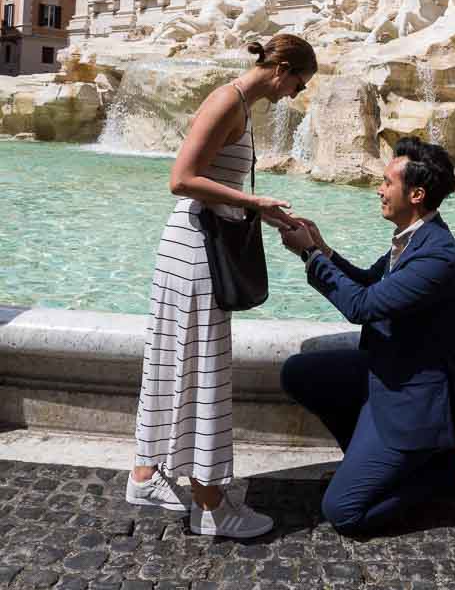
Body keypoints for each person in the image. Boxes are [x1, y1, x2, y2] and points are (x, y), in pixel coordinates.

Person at [126, 34, 317, 537]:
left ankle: (146, 475)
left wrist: (265, 213)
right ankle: (212, 506)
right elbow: (181, 178)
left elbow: (216, 181)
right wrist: (253, 203)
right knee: (199, 366)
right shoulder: (225, 100)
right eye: (300, 82)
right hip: (195, 252)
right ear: (282, 70)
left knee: (176, 359)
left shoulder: (240, 105)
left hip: (198, 246)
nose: (297, 94)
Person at [279, 137, 455, 534]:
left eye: (386, 183)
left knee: (343, 513)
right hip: (387, 373)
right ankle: (368, 464)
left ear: (416, 194)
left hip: (414, 401)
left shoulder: (436, 256)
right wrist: (322, 250)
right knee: (298, 373)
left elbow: (362, 306)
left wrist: (310, 257)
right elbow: (366, 283)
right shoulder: (413, 239)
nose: (379, 189)